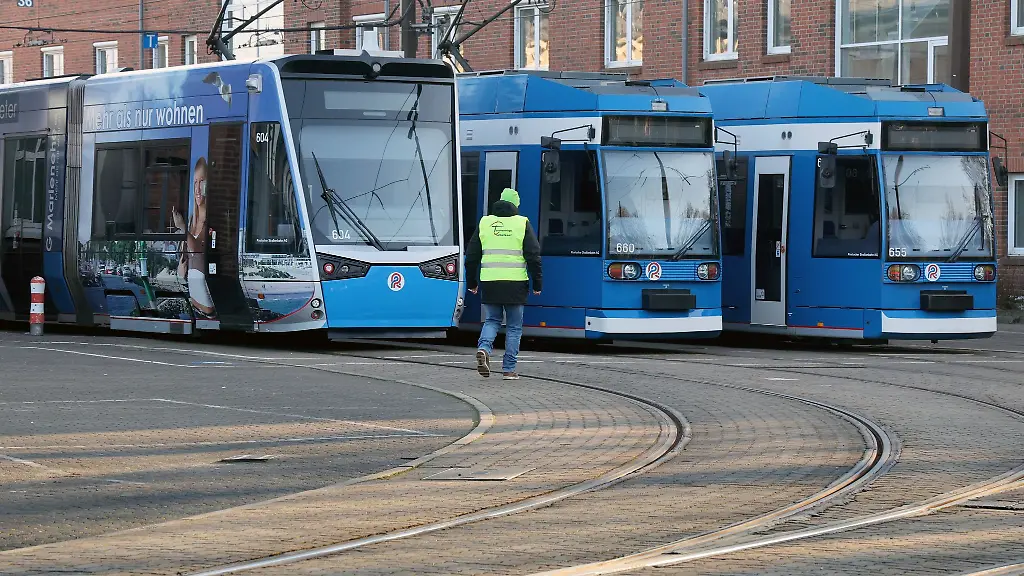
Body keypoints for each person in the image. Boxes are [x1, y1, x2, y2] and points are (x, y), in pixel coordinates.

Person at [465, 187, 542, 380]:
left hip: (490, 282)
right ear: (516, 205)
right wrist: (537, 283)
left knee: (492, 320)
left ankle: (484, 348)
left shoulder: (485, 222)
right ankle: (509, 369)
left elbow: (471, 256)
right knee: (514, 327)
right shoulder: (522, 223)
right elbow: (533, 256)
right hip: (515, 284)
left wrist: (472, 282)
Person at [173, 157, 216, 318]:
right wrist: (180, 268)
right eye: (195, 183)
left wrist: (182, 228)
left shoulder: (212, 218)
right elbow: (187, 255)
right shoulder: (192, 219)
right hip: (193, 305)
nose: (198, 189)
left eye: (202, 182)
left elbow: (199, 249)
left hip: (208, 309)